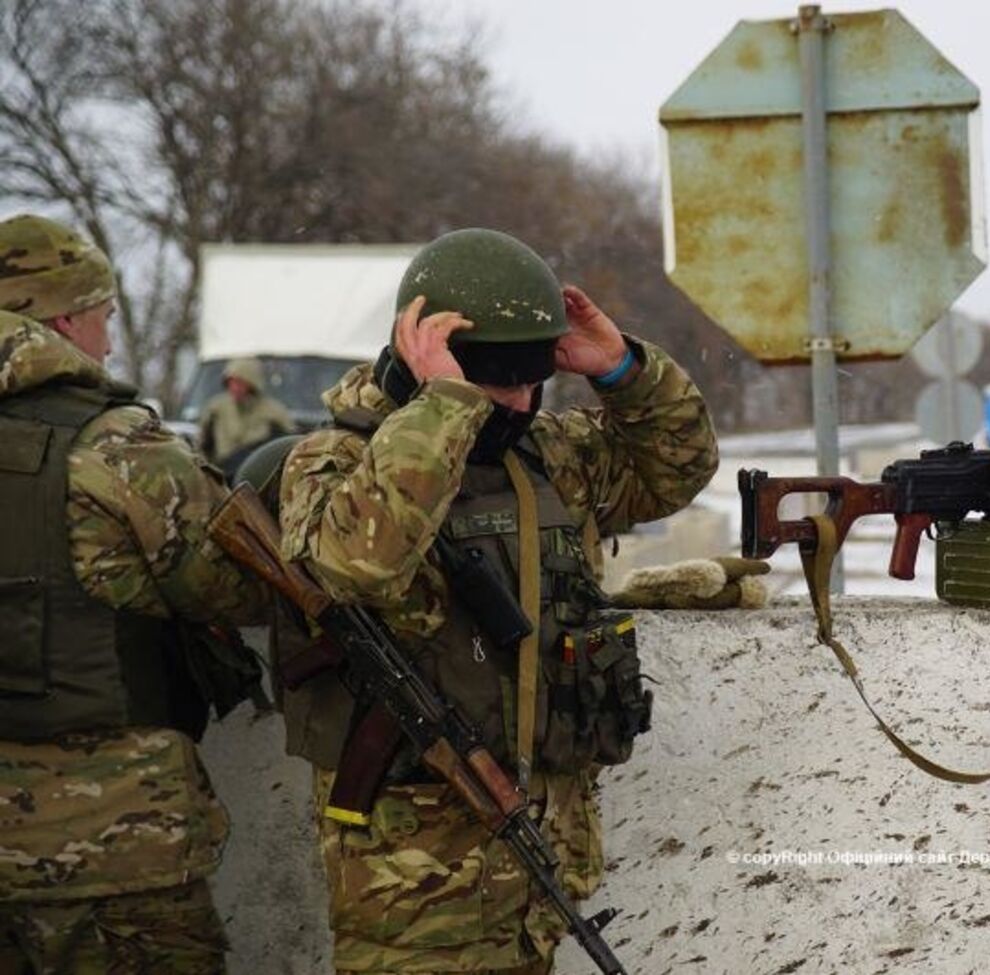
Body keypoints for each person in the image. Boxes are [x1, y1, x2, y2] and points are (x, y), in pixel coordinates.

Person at [276, 228, 719, 973]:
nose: (517, 401)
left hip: (540, 865)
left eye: (530, 379)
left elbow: (676, 467)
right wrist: (445, 408)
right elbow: (358, 564)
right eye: (496, 381)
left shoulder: (548, 457)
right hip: (412, 888)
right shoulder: (337, 458)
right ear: (429, 360)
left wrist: (621, 372)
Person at [0, 213, 266, 973]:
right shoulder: (117, 447)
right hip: (119, 847)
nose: (110, 342)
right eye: (105, 318)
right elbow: (240, 587)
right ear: (63, 317)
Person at [199, 356, 294, 478]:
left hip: (259, 479)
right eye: (231, 382)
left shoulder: (274, 413)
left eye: (240, 382)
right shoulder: (216, 409)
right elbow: (203, 448)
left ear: (252, 383)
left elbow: (287, 449)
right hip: (222, 477)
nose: (235, 388)